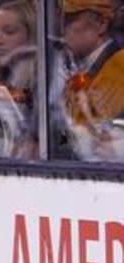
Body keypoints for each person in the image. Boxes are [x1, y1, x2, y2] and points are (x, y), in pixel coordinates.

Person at [53, 0, 124, 160]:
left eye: (69, 20)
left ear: (101, 24)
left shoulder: (120, 67)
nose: (61, 30)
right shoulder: (72, 69)